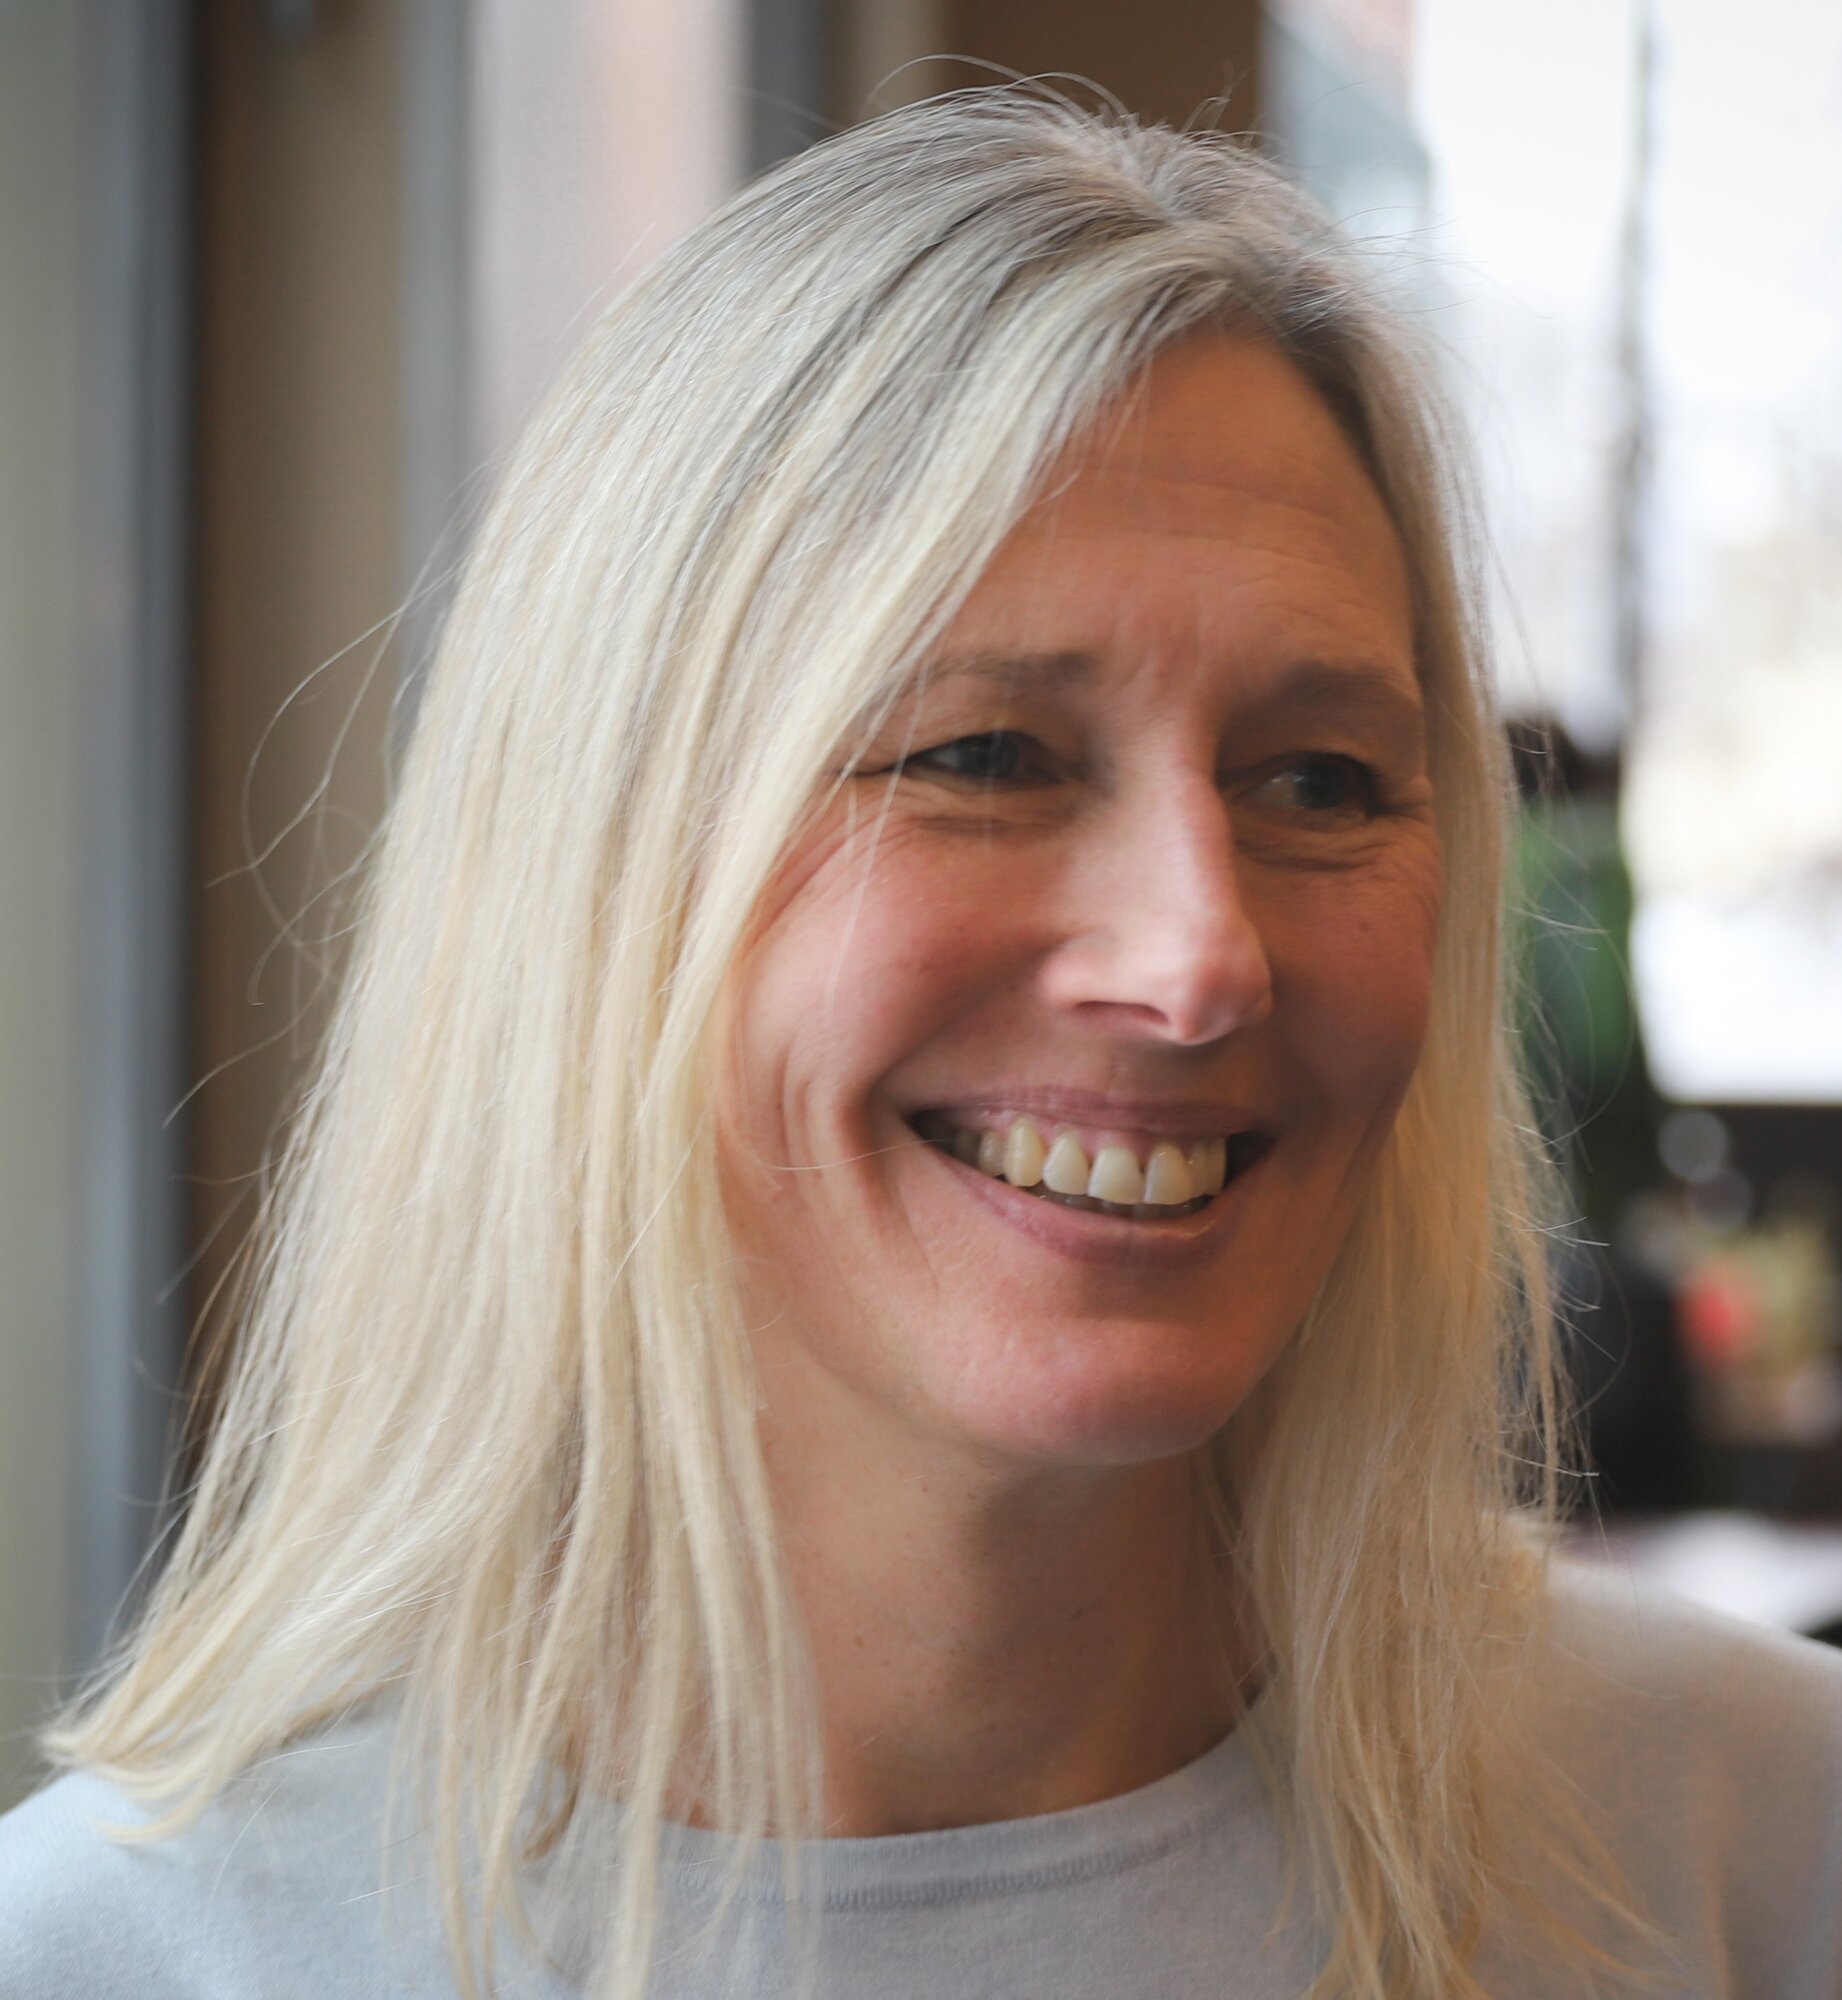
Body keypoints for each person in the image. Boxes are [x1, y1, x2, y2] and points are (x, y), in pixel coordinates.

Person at [4, 90, 1840, 2000]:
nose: (1198, 960)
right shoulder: (117, 1958)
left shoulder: (1759, 1849)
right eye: (983, 756)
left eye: (1317, 781)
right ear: (598, 868)